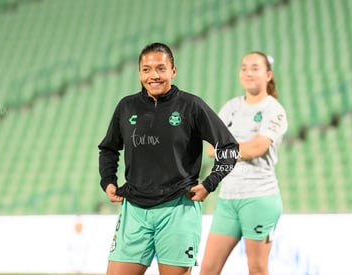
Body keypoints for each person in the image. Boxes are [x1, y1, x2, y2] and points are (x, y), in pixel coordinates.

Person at [98, 42, 239, 275]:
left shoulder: (191, 106)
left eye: (161, 69)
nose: (154, 75)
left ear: (173, 71)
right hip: (133, 210)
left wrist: (209, 184)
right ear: (139, 73)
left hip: (179, 209)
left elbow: (229, 147)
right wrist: (108, 181)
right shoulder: (126, 106)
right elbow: (108, 149)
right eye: (147, 69)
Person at [200, 51, 288, 275]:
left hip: (259, 198)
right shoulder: (231, 107)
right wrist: (240, 148)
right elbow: (211, 147)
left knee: (257, 269)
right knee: (208, 270)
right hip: (228, 200)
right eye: (244, 68)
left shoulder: (273, 110)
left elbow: (257, 148)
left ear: (268, 75)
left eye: (255, 68)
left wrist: (228, 148)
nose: (248, 73)